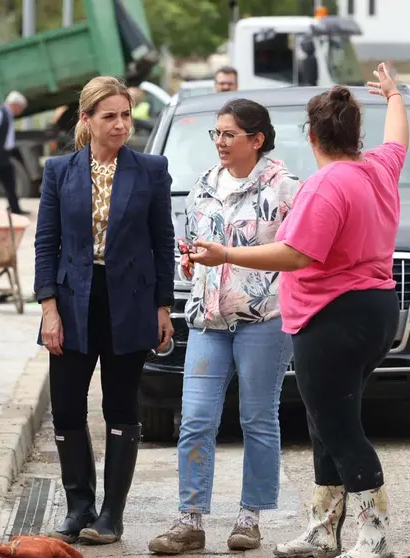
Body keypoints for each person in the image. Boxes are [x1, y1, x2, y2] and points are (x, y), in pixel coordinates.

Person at [189, 63, 408, 558]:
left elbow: (296, 254)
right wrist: (393, 96)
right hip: (374, 312)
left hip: (332, 318)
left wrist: (226, 254)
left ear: (311, 135)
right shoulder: (379, 167)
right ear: (356, 132)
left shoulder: (326, 185)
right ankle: (322, 529)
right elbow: (398, 139)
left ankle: (374, 536)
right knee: (325, 421)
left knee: (338, 427)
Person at [147, 99, 299, 555]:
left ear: (257, 140)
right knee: (194, 418)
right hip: (208, 319)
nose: (220, 142)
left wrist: (228, 258)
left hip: (265, 319)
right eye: (216, 134)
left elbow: (295, 254)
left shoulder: (287, 189)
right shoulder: (202, 187)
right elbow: (191, 248)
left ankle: (250, 518)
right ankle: (189, 519)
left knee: (257, 417)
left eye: (229, 134)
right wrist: (192, 264)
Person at [35, 75, 175, 545]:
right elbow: (46, 243)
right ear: (87, 120)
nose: (120, 125)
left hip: (130, 303)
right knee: (68, 408)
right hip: (74, 301)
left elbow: (163, 243)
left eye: (125, 115)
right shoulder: (60, 171)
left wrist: (163, 307)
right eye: (109, 116)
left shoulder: (151, 170)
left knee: (120, 406)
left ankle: (111, 515)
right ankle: (79, 507)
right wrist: (48, 308)